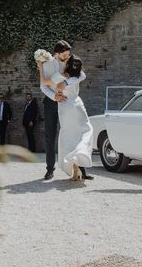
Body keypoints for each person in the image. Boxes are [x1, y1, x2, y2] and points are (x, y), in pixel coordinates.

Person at [38, 53, 94, 181]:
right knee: (83, 132)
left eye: (68, 57)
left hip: (65, 105)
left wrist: (40, 67)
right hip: (76, 105)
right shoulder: (77, 74)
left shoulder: (61, 75)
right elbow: (82, 75)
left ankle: (76, 166)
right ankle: (76, 162)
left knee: (68, 137)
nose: (66, 57)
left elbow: (45, 83)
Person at [40, 40, 72, 180]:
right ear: (57, 54)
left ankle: (78, 168)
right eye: (64, 55)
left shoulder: (71, 63)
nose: (67, 57)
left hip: (67, 101)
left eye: (68, 54)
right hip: (51, 102)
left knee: (72, 133)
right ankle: (50, 169)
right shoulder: (48, 64)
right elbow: (43, 86)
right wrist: (54, 96)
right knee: (50, 136)